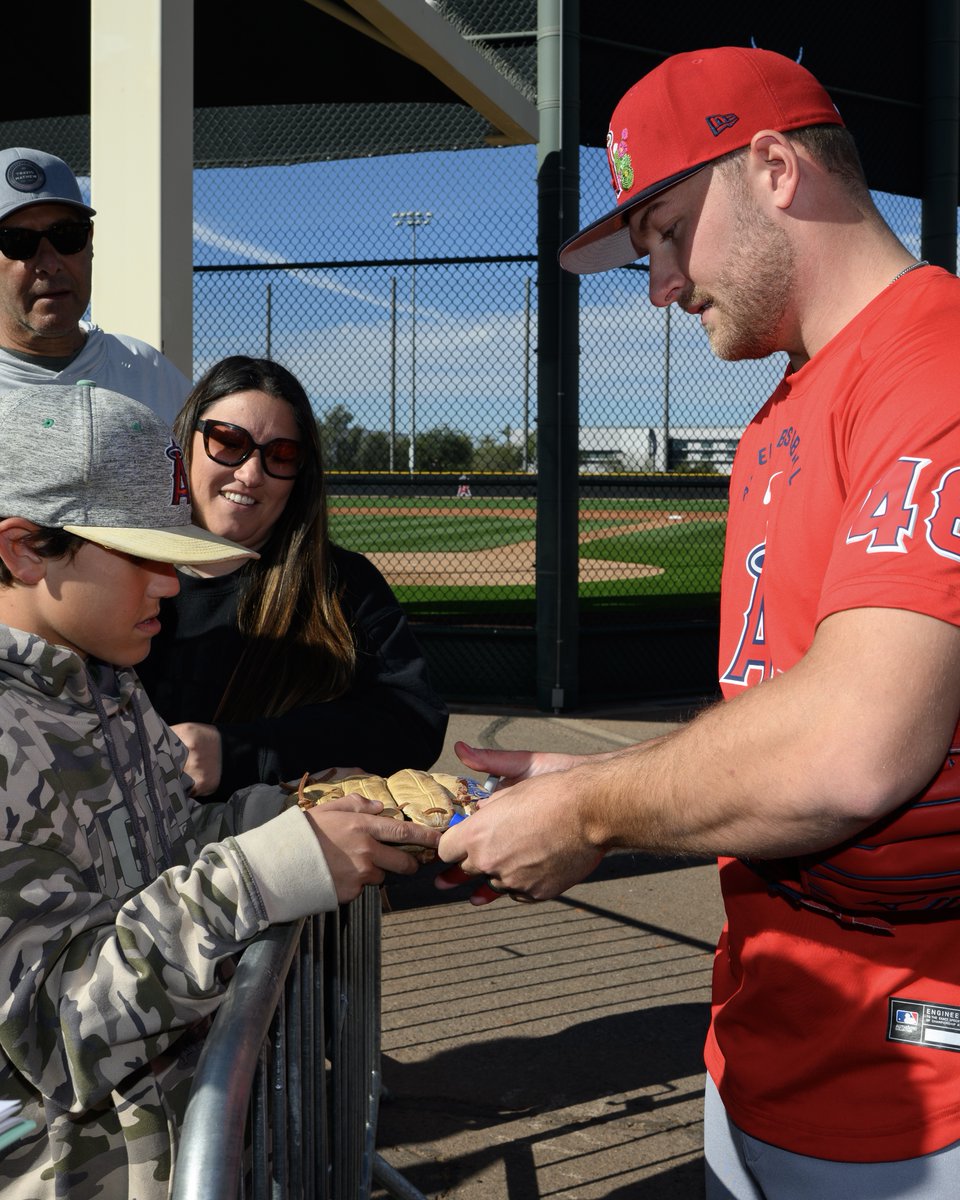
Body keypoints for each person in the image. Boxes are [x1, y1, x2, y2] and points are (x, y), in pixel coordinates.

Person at [437, 45, 960, 1199]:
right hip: (762, 1040)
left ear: (774, 167)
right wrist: (597, 777)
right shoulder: (782, 412)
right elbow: (774, 727)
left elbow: (851, 748)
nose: (661, 285)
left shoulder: (937, 367)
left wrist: (593, 811)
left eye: (669, 233)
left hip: (915, 1092)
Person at [0, 380, 440, 1198]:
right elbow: (56, 1028)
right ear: (25, 550)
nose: (172, 584)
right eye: (141, 555)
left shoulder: (106, 684)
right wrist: (272, 871)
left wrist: (294, 817)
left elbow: (170, 841)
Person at [137, 355, 448, 800]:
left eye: (281, 455)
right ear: (186, 439)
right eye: (228, 441)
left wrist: (240, 752)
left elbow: (413, 722)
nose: (250, 474)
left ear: (300, 474)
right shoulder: (121, 568)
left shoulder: (340, 585)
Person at [0, 146, 190, 422]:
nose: (49, 263)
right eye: (18, 241)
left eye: (67, 235)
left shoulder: (150, 374)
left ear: (90, 239)